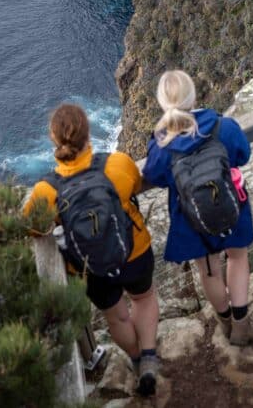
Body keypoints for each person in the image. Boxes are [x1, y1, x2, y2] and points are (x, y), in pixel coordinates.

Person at [23, 104, 161, 396]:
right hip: (133, 252)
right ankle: (149, 358)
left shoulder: (47, 190)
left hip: (91, 268)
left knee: (117, 317)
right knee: (144, 298)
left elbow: (30, 226)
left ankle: (136, 359)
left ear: (54, 139)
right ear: (88, 133)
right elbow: (136, 183)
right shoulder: (117, 164)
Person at [142, 70, 253, 345]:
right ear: (193, 95)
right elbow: (243, 154)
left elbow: (154, 176)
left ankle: (226, 323)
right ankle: (243, 326)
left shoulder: (162, 145)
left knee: (209, 270)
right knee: (238, 257)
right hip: (230, 205)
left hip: (191, 217)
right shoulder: (223, 127)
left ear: (163, 102)